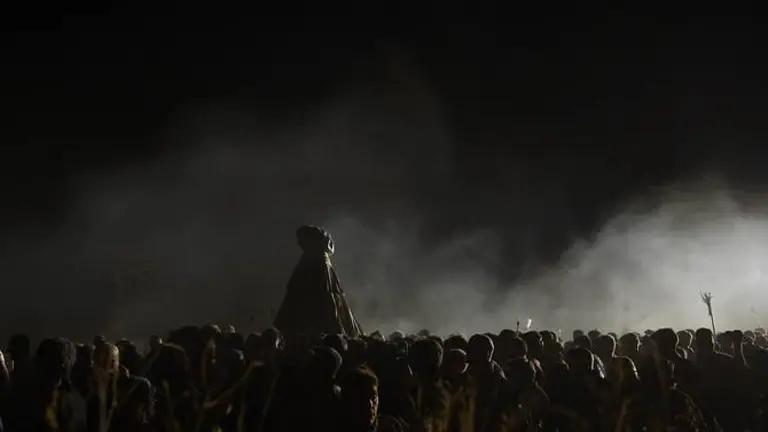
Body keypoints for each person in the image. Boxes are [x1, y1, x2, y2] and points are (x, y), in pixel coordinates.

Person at [274, 225, 363, 340]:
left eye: (302, 239)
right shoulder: (317, 258)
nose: (299, 243)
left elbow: (318, 290)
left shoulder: (316, 259)